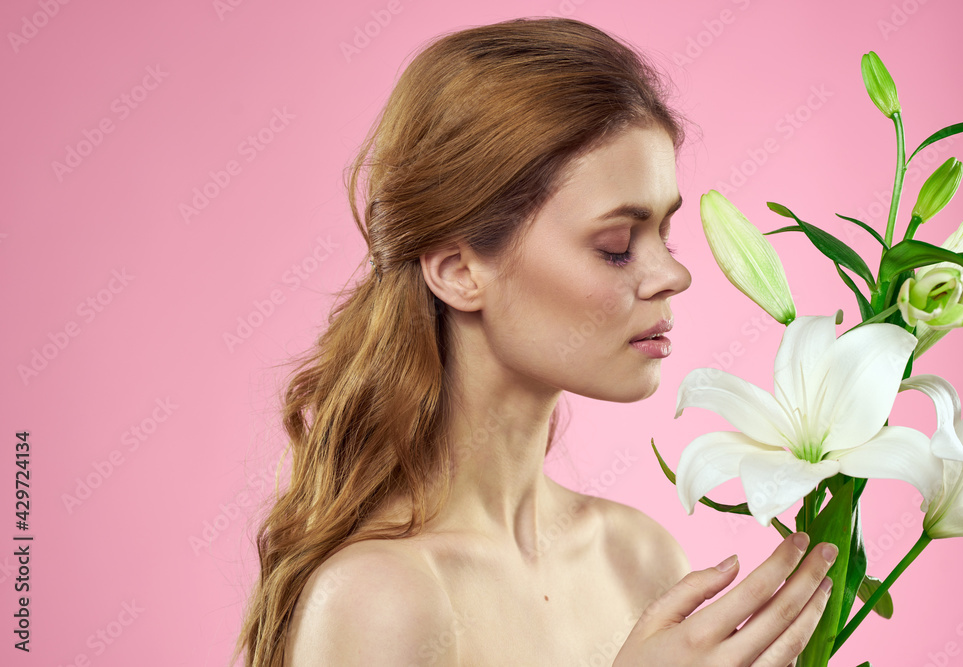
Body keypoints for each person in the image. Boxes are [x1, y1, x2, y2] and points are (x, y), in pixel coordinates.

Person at [233, 16, 837, 667]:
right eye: (615, 246)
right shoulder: (377, 599)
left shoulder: (640, 557)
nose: (673, 274)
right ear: (459, 270)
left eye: (666, 232)